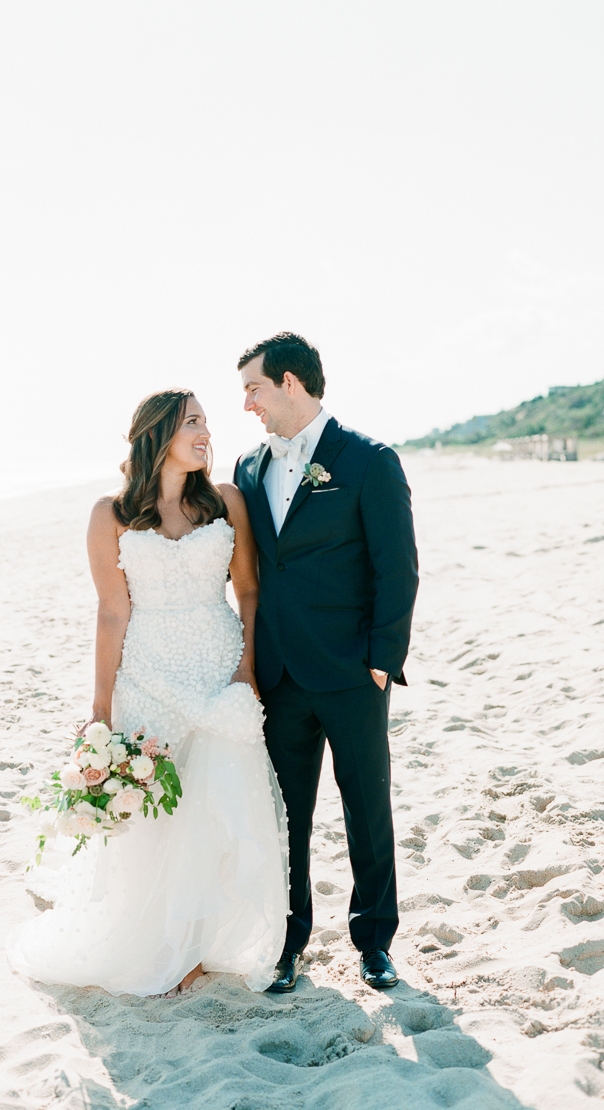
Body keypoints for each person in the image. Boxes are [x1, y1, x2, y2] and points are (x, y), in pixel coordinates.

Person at [8, 389, 288, 997]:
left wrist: (246, 669)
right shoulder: (109, 514)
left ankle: (203, 943)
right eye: (194, 422)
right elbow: (113, 611)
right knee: (156, 817)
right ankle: (160, 943)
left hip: (217, 675)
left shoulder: (227, 502)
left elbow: (248, 593)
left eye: (207, 422)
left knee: (217, 807)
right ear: (159, 435)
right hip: (147, 676)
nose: (206, 432)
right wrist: (101, 710)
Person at [234, 333, 419, 992]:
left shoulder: (368, 460)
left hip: (351, 672)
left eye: (254, 388)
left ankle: (374, 941)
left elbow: (396, 568)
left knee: (367, 805)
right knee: (286, 814)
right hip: (280, 674)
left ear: (289, 382)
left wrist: (381, 661)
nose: (248, 403)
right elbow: (255, 570)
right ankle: (288, 941)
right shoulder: (248, 470)